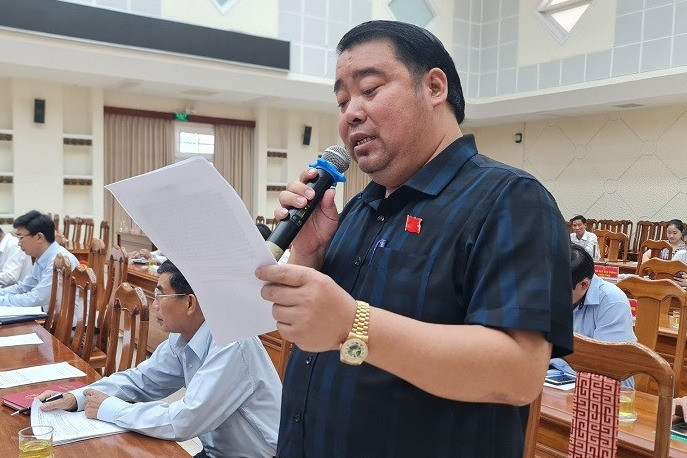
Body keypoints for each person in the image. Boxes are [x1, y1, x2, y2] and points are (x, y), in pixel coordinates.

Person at [255, 20, 573, 457]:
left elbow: (518, 374)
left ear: (435, 87)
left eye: (369, 89)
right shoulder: (360, 207)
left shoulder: (510, 199)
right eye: (342, 101)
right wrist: (309, 254)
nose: (350, 114)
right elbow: (315, 334)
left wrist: (354, 323)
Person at [39, 259, 281, 458]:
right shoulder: (183, 336)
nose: (154, 305)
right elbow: (141, 380)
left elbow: (185, 420)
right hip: (214, 452)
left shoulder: (232, 342)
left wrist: (110, 408)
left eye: (160, 296)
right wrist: (78, 397)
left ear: (189, 302)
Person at [550, 244, 636, 387]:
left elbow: (607, 365)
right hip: (556, 376)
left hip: (602, 386)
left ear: (584, 285)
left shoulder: (612, 301)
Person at [0, 211, 78, 308]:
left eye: (21, 238)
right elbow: (23, 288)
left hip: (59, 317)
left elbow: (35, 299)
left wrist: (2, 300)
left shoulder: (60, 260)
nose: (19, 243)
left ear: (39, 237)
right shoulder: (42, 258)